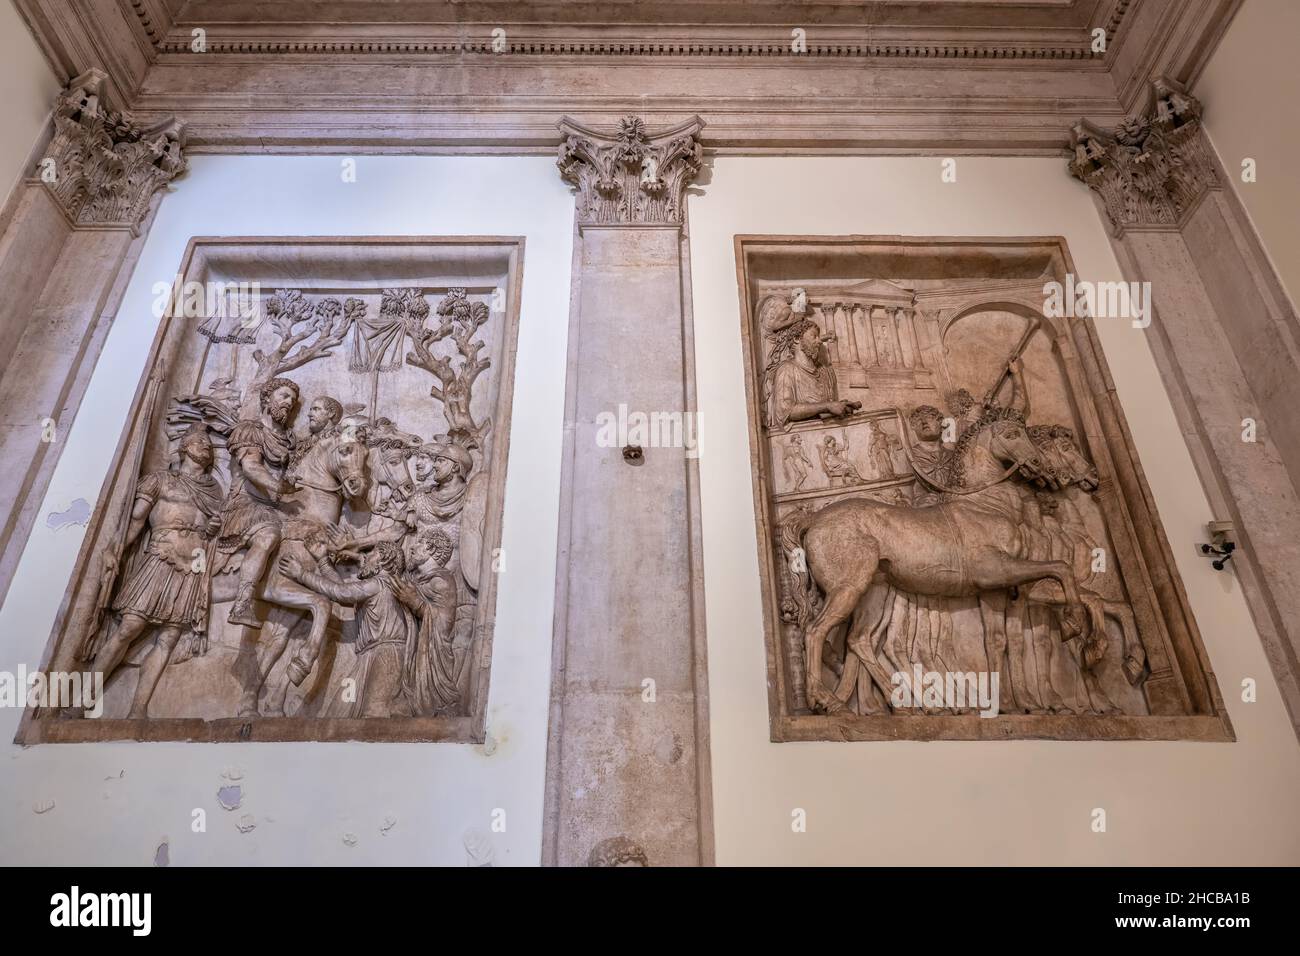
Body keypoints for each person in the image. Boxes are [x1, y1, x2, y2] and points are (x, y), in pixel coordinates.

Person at [92, 427, 224, 717]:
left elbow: (210, 531)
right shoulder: (160, 480)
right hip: (162, 557)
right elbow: (136, 521)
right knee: (129, 627)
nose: (206, 446)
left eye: (209, 444)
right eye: (200, 441)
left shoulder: (214, 491)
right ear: (184, 447)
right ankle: (82, 700)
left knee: (168, 638)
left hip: (193, 567)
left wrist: (211, 529)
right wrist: (115, 549)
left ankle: (138, 710)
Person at [217, 377, 301, 627]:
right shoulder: (250, 430)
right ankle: (242, 604)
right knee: (268, 535)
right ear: (267, 398)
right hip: (247, 504)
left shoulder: (289, 440)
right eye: (283, 396)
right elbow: (252, 467)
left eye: (292, 400)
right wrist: (279, 486)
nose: (289, 403)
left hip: (276, 507)